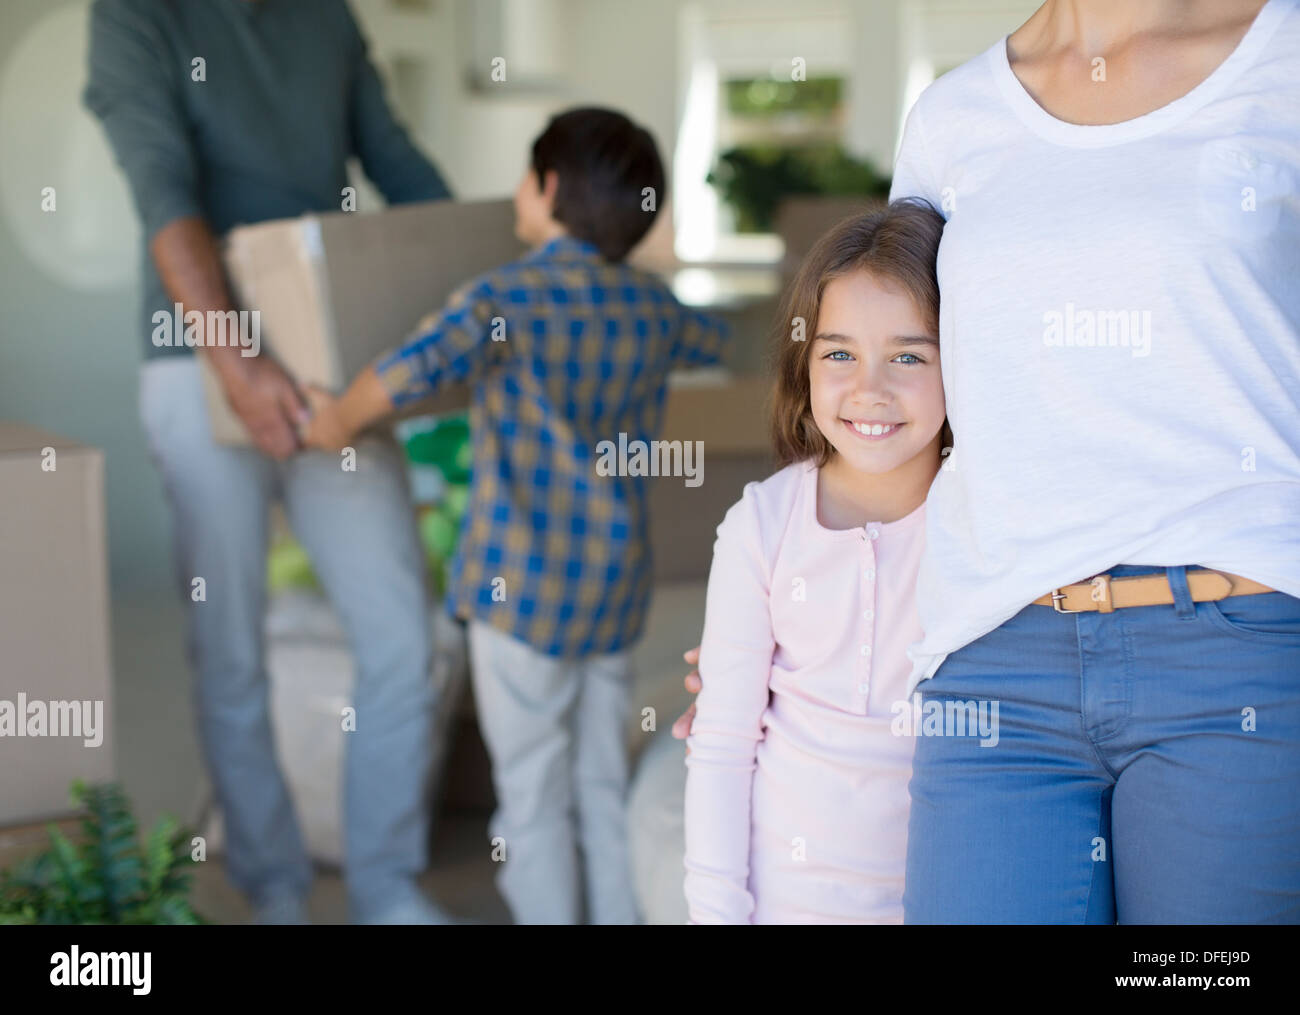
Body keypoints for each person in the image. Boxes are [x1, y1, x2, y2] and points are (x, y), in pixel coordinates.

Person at [678, 0, 1300, 924]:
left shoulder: (1281, 53)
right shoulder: (952, 117)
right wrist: (776, 637)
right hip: (996, 661)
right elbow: (921, 389)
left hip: (1232, 645)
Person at [301, 107, 731, 924]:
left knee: (531, 801)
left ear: (550, 187)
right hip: (612, 594)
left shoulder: (507, 297)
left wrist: (336, 422)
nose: (516, 195)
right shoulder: (653, 308)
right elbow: (718, 340)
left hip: (518, 598)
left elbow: (409, 369)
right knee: (601, 789)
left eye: (526, 178)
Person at [84, 0, 457, 925]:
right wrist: (235, 357)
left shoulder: (324, 17)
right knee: (231, 644)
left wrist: (482, 288)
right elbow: (164, 192)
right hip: (196, 357)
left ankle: (383, 884)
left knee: (400, 636)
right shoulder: (136, 17)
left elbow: (398, 162)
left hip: (332, 352)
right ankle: (275, 884)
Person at [684, 201, 947, 923]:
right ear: (803, 362)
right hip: (783, 903)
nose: (871, 388)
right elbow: (722, 746)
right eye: (839, 353)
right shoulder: (761, 526)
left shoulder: (978, 523)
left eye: (909, 355)